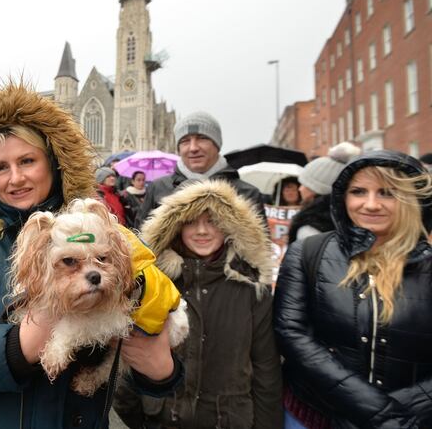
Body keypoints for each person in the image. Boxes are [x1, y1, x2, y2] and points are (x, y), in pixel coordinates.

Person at [0, 83, 182, 428]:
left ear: (53, 162)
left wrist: (160, 372)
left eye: (27, 161)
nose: (15, 178)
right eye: (0, 167)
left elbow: (144, 317)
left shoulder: (97, 229)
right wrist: (16, 348)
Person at [274, 150, 432, 428]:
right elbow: (292, 334)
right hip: (314, 415)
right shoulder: (309, 252)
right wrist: (375, 411)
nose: (371, 204)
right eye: (358, 191)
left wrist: (401, 415)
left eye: (387, 192)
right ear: (342, 197)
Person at [115, 180, 282, 429]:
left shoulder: (250, 287)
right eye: (191, 221)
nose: (202, 231)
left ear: (228, 226)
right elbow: (126, 360)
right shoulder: (155, 286)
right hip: (162, 420)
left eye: (212, 221)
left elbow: (265, 366)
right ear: (177, 227)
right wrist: (138, 417)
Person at [136, 111, 262, 227]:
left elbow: (258, 248)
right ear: (179, 149)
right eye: (185, 141)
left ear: (217, 145)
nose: (193, 148)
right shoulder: (158, 188)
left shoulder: (247, 193)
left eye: (202, 138)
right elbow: (140, 241)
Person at [288, 142, 360, 244]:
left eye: (305, 185)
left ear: (317, 189)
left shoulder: (309, 230)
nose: (300, 189)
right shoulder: (350, 220)